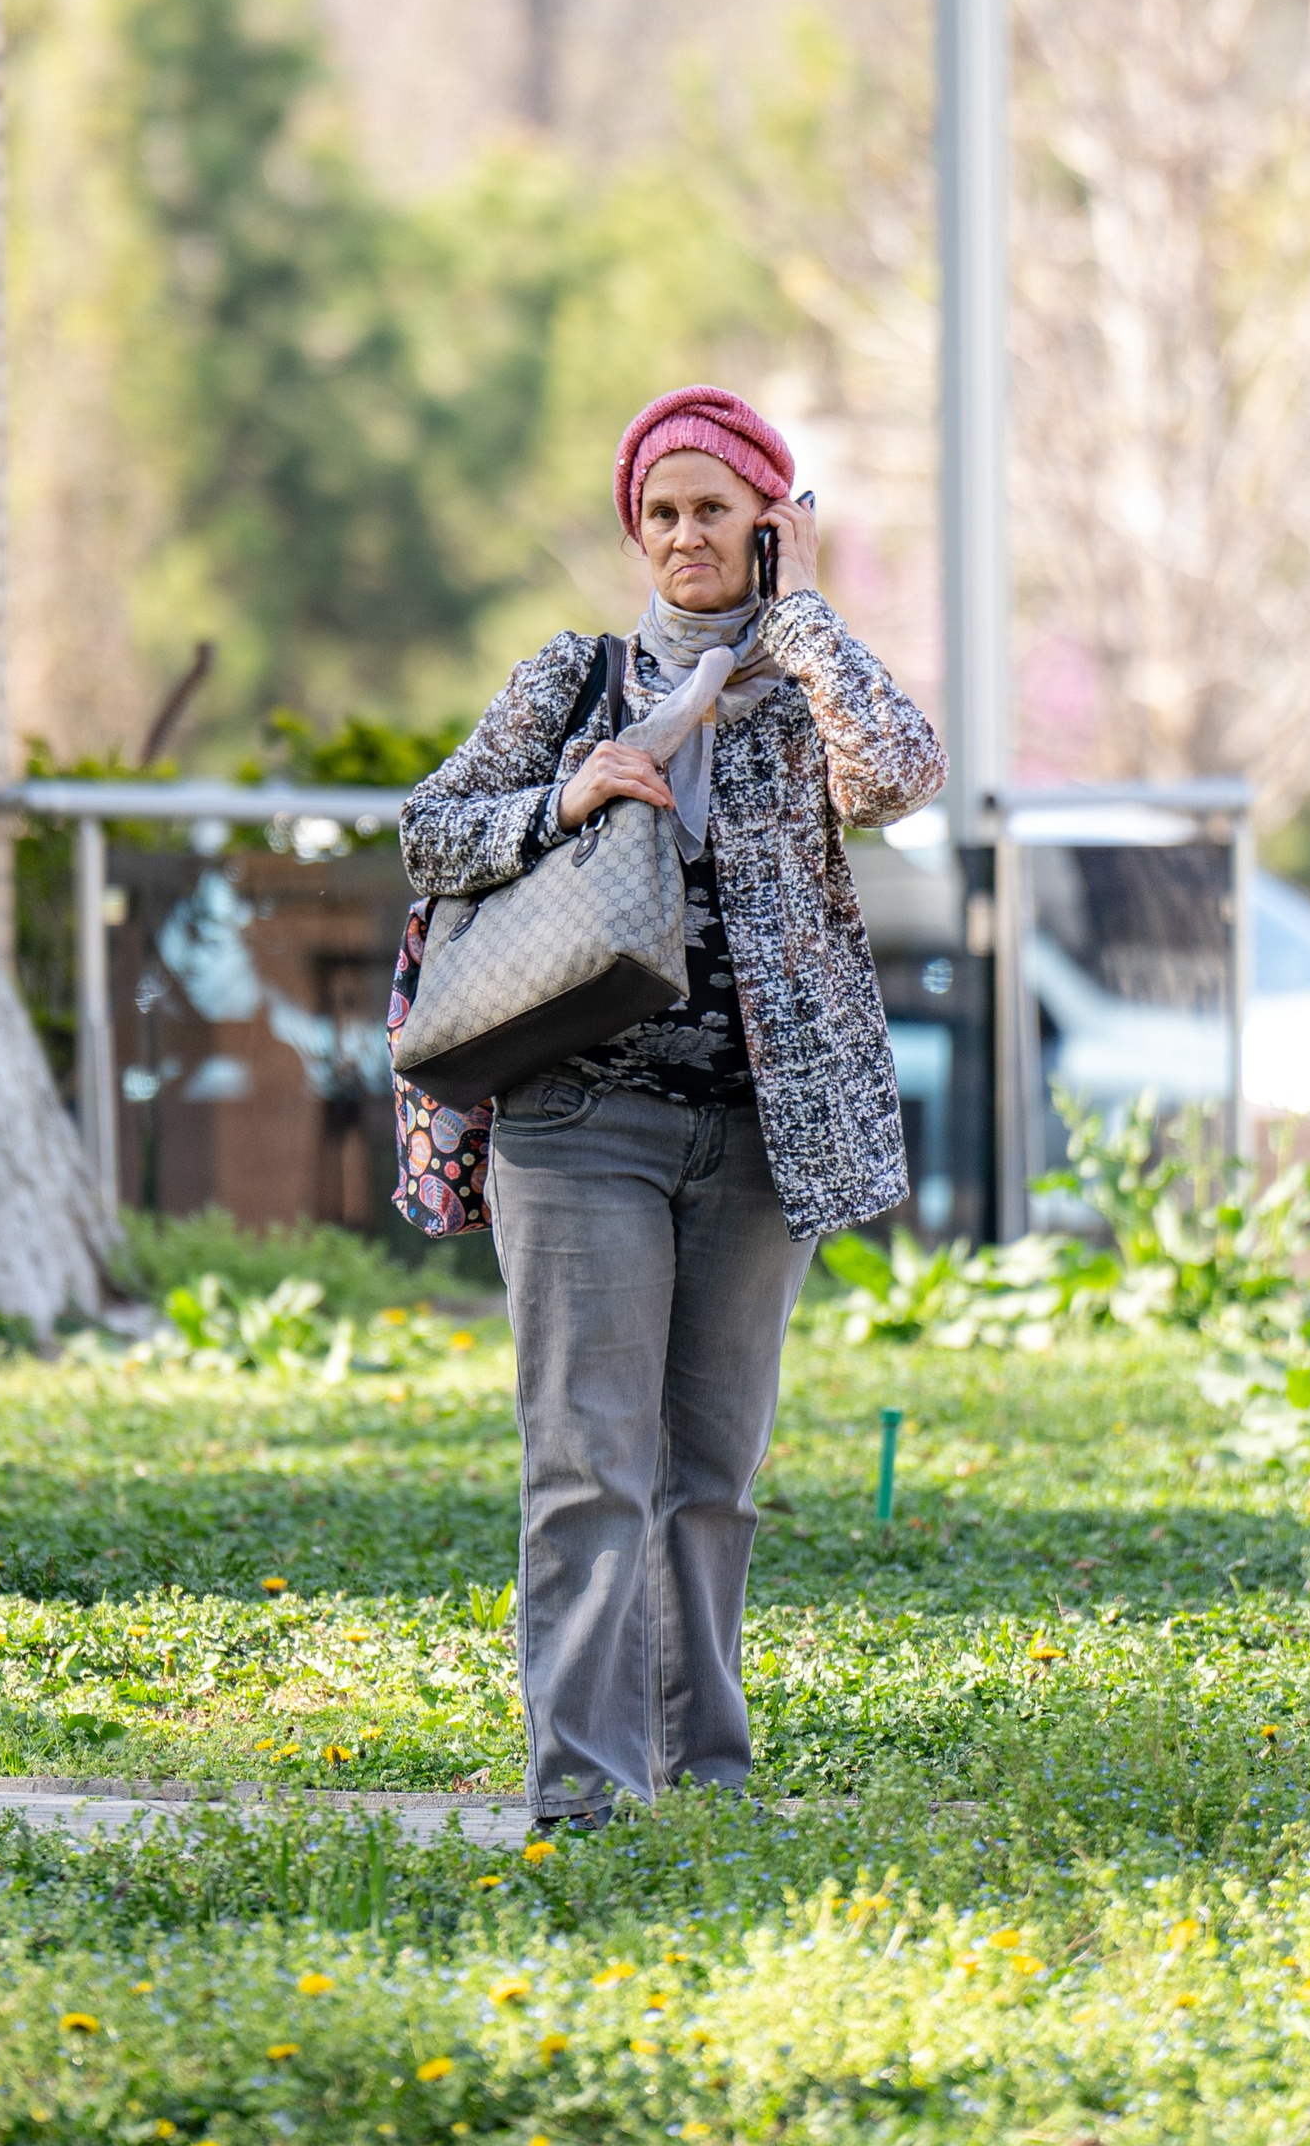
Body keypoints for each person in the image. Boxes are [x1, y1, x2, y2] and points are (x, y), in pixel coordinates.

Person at [399, 384, 944, 1831]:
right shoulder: (573, 681)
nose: (683, 536)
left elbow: (900, 776)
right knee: (591, 1468)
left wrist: (810, 616)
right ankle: (586, 1800)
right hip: (581, 1121)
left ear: (771, 520)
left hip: (762, 1136)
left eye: (713, 510)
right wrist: (565, 798)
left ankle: (701, 1789)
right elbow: (427, 828)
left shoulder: (803, 691)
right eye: (660, 513)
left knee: (712, 1479)